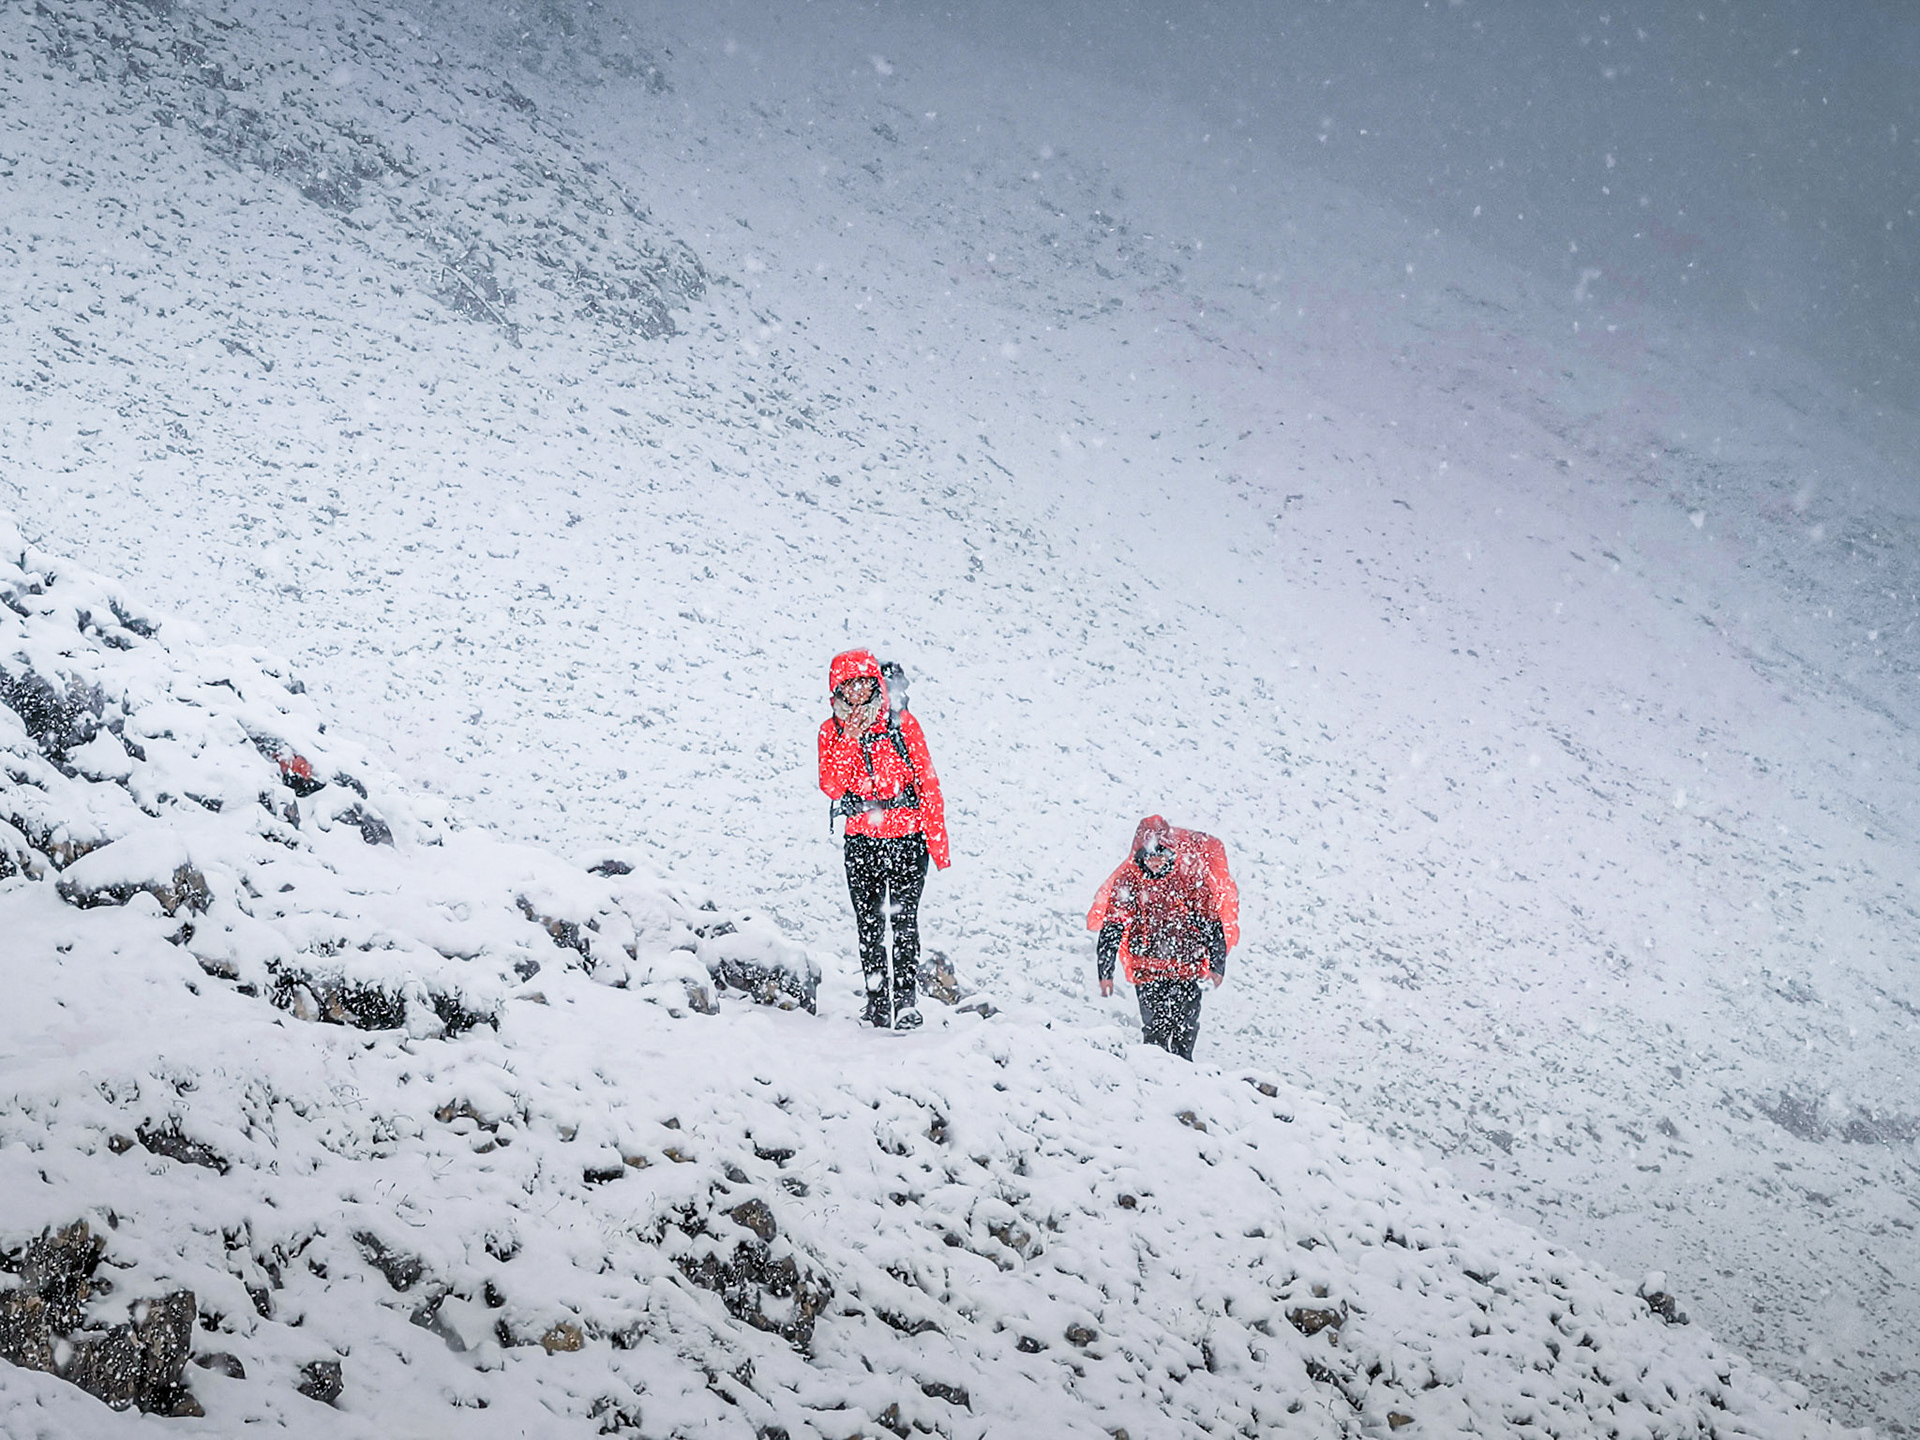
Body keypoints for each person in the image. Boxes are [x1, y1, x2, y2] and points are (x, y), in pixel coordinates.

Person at [817, 649, 950, 1029]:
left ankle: (906, 1004)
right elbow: (831, 785)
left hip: (908, 839)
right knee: (870, 925)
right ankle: (877, 1003)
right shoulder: (831, 731)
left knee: (905, 923)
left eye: (863, 682)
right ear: (838, 690)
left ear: (875, 683)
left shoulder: (902, 724)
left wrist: (938, 844)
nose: (857, 691)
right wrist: (850, 738)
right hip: (861, 842)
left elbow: (927, 782)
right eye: (849, 685)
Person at [1087, 815, 1238, 1060]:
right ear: (1140, 855)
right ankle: (1156, 1074)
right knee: (1154, 1032)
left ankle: (1183, 1073)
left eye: (1161, 855)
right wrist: (1105, 973)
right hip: (1148, 970)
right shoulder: (1129, 882)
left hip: (1186, 968)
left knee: (1185, 1031)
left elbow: (1211, 924)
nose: (1156, 861)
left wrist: (1217, 965)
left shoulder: (1188, 879)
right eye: (1150, 855)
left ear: (1170, 853)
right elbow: (1112, 929)